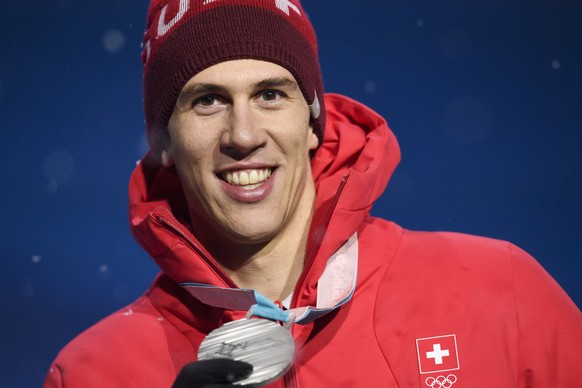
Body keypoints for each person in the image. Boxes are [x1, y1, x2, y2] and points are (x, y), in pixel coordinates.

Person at [44, 0, 582, 387]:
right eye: (207, 101)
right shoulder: (95, 371)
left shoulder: (501, 294)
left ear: (312, 122)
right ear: (162, 141)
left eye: (271, 94)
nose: (244, 135)